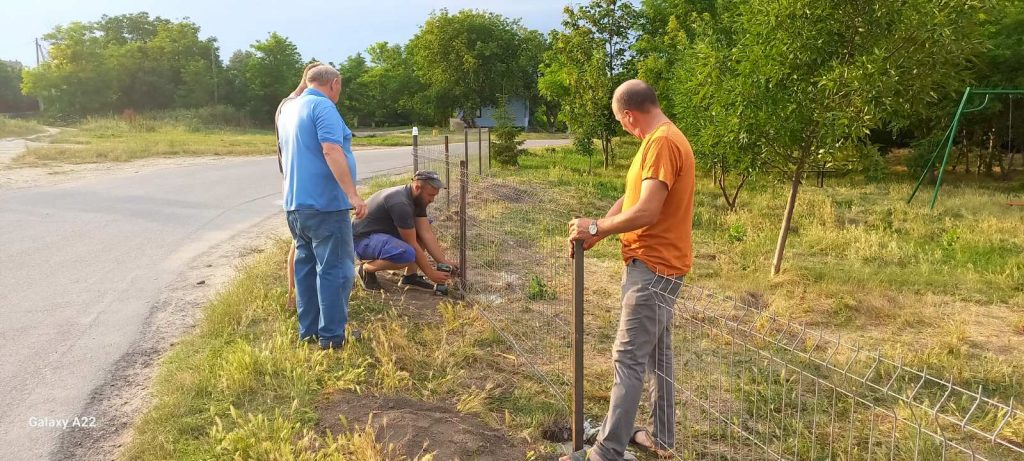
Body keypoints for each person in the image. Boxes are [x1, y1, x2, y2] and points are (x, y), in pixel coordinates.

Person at [565, 79, 695, 461]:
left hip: (653, 269)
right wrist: (600, 231)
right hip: (661, 267)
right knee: (657, 358)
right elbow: (633, 196)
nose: (623, 127)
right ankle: (662, 439)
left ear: (628, 114)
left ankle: (606, 453)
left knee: (628, 360)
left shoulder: (662, 143)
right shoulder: (657, 141)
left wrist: (595, 227)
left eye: (620, 121)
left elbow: (648, 210)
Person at [277, 64, 367, 350]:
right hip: (325, 205)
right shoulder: (324, 107)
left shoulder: (289, 109)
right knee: (335, 270)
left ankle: (310, 332)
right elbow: (331, 149)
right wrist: (352, 194)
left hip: (295, 206)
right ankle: (331, 337)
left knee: (306, 268)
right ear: (335, 83)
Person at [352, 171, 456, 291]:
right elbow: (412, 243)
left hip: (379, 235)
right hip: (361, 241)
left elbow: (426, 233)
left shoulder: (418, 199)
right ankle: (365, 269)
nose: (432, 200)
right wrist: (431, 273)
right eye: (430, 195)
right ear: (417, 187)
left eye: (434, 196)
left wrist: (443, 262)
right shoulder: (400, 203)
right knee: (407, 254)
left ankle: (410, 277)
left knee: (422, 230)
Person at [276, 61, 321, 310]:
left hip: (294, 184)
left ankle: (296, 296)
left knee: (300, 243)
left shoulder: (289, 104)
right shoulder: (293, 105)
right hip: (298, 185)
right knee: (299, 244)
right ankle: (294, 296)